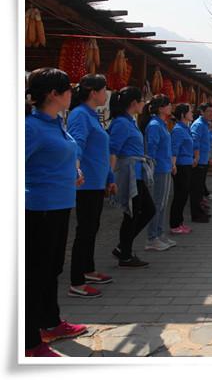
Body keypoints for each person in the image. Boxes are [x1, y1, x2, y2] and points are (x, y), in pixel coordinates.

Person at [25, 68, 87, 357]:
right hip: (40, 209)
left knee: (52, 269)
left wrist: (72, 173)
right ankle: (29, 342)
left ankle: (50, 322)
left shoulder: (57, 123)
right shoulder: (31, 127)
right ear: (54, 94)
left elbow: (57, 156)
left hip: (60, 205)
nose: (72, 94)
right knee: (35, 274)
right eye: (68, 89)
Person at [66, 74, 116, 299]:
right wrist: (76, 169)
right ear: (93, 92)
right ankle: (77, 281)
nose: (106, 94)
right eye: (104, 90)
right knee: (85, 230)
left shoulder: (92, 115)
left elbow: (101, 152)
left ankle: (88, 269)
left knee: (92, 228)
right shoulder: (80, 114)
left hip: (96, 181)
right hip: (85, 183)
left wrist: (109, 176)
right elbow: (77, 144)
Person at [109, 86, 156, 268]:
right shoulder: (121, 123)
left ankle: (123, 247)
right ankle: (125, 254)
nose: (144, 104)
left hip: (137, 173)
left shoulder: (130, 121)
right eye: (142, 100)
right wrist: (110, 178)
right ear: (134, 103)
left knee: (146, 210)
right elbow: (113, 151)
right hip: (129, 174)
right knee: (131, 214)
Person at [141, 94, 176, 251]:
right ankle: (152, 237)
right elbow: (151, 149)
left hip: (165, 167)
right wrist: (152, 168)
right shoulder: (155, 125)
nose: (170, 107)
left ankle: (159, 233)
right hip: (158, 169)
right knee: (157, 203)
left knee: (162, 203)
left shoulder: (162, 124)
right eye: (168, 104)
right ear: (161, 108)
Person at [169, 103, 195, 234]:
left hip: (187, 164)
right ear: (183, 114)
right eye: (190, 111)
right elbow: (174, 149)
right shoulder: (178, 130)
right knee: (180, 195)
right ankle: (174, 224)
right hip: (180, 166)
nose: (192, 113)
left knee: (184, 195)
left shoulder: (186, 128)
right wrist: (173, 164)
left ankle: (180, 222)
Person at [190, 102, 212, 222]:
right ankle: (196, 215)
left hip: (204, 160)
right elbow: (195, 142)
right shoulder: (198, 124)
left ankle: (200, 211)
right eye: (209, 111)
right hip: (198, 161)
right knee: (196, 189)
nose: (211, 113)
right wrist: (196, 157)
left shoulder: (206, 124)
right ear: (202, 112)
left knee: (200, 189)